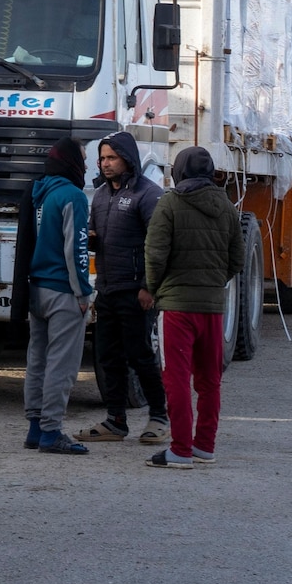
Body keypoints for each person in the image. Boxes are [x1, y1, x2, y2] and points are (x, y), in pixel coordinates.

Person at [140, 147, 245, 469]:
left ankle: (180, 450)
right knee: (209, 379)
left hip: (177, 308)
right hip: (213, 307)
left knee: (176, 377)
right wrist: (213, 283)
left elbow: (155, 254)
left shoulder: (170, 204)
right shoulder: (227, 207)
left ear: (180, 171)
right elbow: (236, 259)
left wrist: (152, 289)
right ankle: (204, 446)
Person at [77, 131, 169, 445]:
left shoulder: (149, 194)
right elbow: (99, 237)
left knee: (141, 355)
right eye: (102, 158)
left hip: (136, 292)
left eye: (111, 158)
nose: (105, 164)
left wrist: (148, 287)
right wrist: (91, 240)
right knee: (107, 357)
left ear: (127, 159)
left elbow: (158, 246)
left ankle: (158, 417)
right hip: (107, 289)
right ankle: (115, 420)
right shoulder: (100, 196)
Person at [12, 138, 95, 455]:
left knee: (38, 360)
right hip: (64, 293)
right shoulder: (73, 196)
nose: (86, 166)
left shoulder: (39, 192)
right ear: (72, 162)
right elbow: (77, 250)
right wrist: (83, 292)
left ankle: (35, 428)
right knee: (62, 365)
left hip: (37, 290)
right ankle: (51, 432)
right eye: (83, 160)